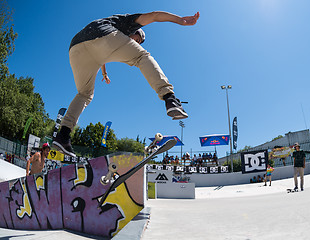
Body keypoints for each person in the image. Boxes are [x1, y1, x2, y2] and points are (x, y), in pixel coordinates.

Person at [53, 11, 200, 157]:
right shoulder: (127, 22)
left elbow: (99, 56)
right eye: (138, 39)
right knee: (141, 57)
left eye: (139, 43)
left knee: (84, 94)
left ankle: (63, 135)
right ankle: (170, 98)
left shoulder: (110, 29)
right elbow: (155, 16)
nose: (136, 43)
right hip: (104, 37)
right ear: (134, 31)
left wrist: (104, 73)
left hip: (76, 48)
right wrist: (181, 20)